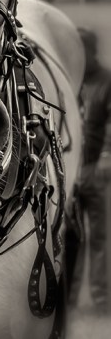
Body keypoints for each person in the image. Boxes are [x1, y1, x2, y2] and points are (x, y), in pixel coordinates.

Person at [75, 27, 111, 311]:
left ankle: (100, 297)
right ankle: (70, 297)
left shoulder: (106, 81)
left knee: (99, 235)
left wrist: (106, 158)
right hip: (71, 172)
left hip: (95, 169)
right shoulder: (70, 79)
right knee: (71, 235)